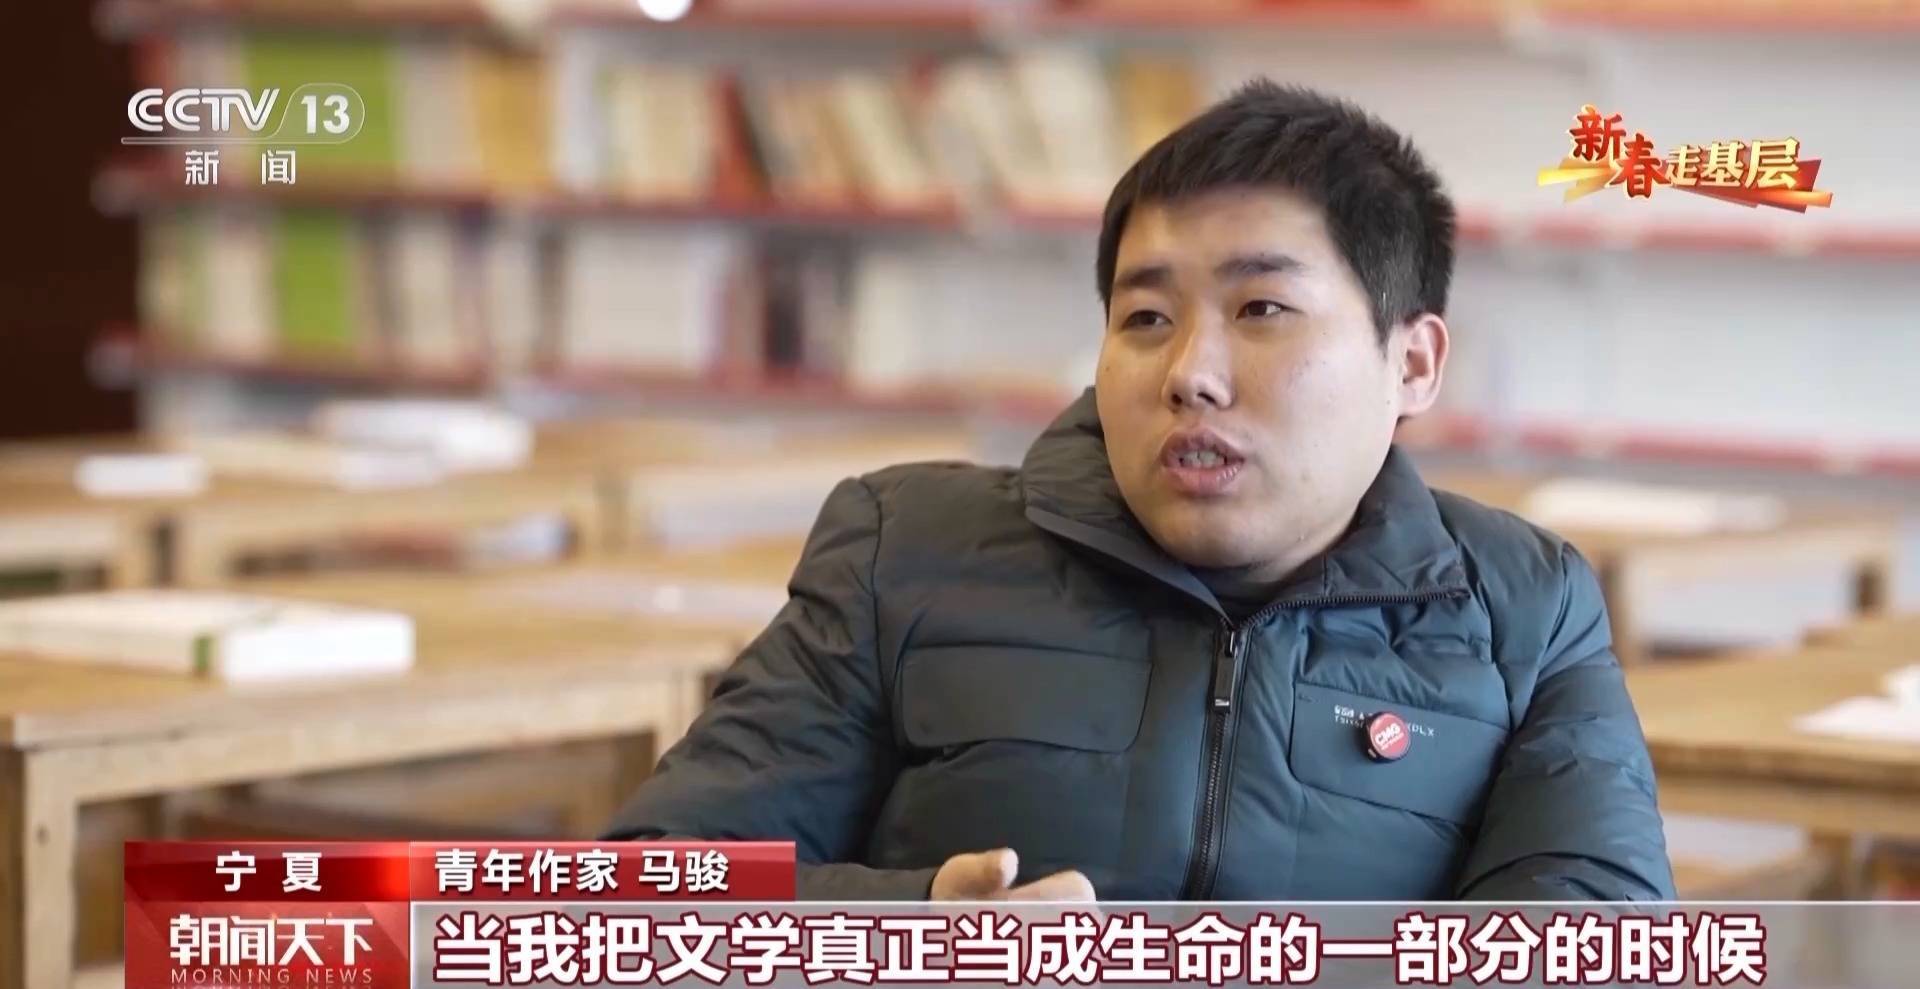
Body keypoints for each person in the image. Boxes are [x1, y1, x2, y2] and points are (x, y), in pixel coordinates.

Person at [605, 79, 1674, 902]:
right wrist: (910, 926)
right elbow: (645, 891)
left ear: (1414, 362)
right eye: (1146, 318)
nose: (1189, 373)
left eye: (1261, 310)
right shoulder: (904, 553)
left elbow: (1596, 937)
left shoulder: (1524, 609)